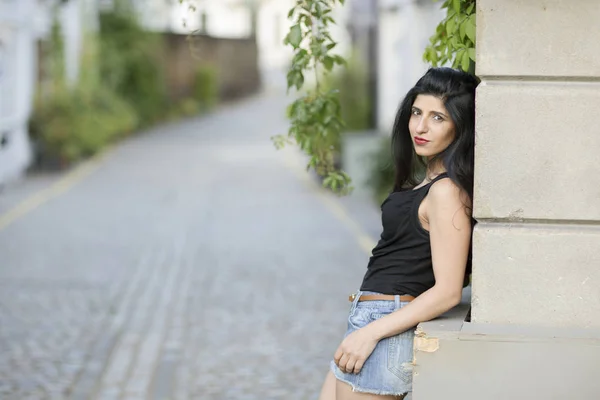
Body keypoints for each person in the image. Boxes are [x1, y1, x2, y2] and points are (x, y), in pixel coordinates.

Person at [318, 67, 479, 400]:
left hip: (385, 326)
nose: (420, 127)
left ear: (460, 127)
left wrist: (370, 334)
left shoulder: (447, 191)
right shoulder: (429, 183)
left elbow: (448, 292)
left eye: (438, 118)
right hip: (370, 318)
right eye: (417, 112)